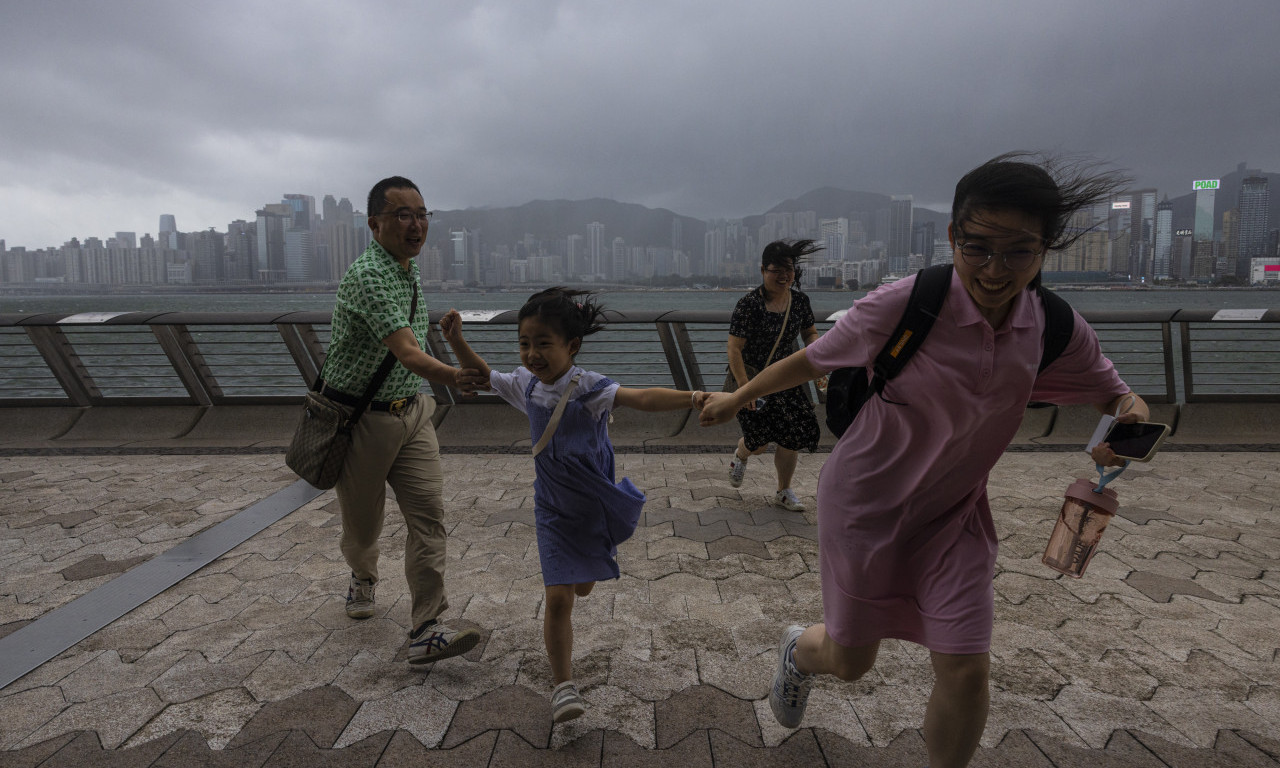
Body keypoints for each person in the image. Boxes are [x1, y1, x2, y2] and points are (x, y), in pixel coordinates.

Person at [699, 153, 1150, 768]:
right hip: (864, 507)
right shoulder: (907, 304)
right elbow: (814, 360)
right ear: (951, 238)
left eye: (1019, 251)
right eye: (977, 247)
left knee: (966, 670)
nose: (995, 269)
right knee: (851, 662)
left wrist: (1127, 413)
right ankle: (798, 653)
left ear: (1046, 249)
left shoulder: (1053, 325)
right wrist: (739, 398)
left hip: (955, 519)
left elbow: (1112, 390)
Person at [441, 287, 709, 723]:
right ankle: (563, 686)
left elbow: (641, 398)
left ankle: (585, 571)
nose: (532, 354)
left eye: (544, 343)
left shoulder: (589, 389)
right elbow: (484, 374)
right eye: (525, 343)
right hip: (552, 510)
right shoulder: (525, 386)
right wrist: (456, 342)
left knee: (582, 585)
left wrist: (693, 397)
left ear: (572, 346)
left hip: (594, 505)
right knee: (560, 598)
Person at [318, 176, 489, 665]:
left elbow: (413, 353)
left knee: (429, 516)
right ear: (375, 224)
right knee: (363, 528)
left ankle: (426, 626)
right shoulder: (368, 275)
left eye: (421, 214)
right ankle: (363, 576)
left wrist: (452, 346)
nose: (416, 225)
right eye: (403, 215)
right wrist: (454, 376)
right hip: (363, 422)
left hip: (411, 414)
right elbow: (408, 351)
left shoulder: (408, 270)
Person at [724, 239, 824, 511]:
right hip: (751, 378)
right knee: (759, 443)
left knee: (792, 434)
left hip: (785, 377)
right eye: (776, 270)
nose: (783, 276)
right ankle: (742, 453)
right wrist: (745, 388)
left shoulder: (800, 301)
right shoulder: (749, 305)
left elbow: (809, 333)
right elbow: (734, 348)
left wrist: (819, 355)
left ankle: (783, 491)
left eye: (788, 269)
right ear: (762, 271)